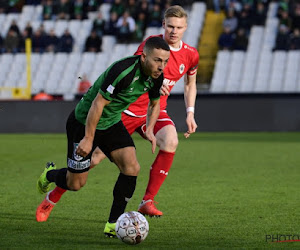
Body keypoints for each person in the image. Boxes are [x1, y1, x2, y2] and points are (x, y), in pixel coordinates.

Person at [36, 4, 198, 235]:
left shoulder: (180, 59)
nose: (174, 31)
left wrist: (166, 122)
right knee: (80, 176)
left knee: (143, 159)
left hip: (134, 117)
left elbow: (158, 102)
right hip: (107, 116)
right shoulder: (139, 60)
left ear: (185, 28)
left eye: (179, 27)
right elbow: (98, 104)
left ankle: (122, 218)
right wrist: (89, 139)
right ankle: (52, 181)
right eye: (170, 26)